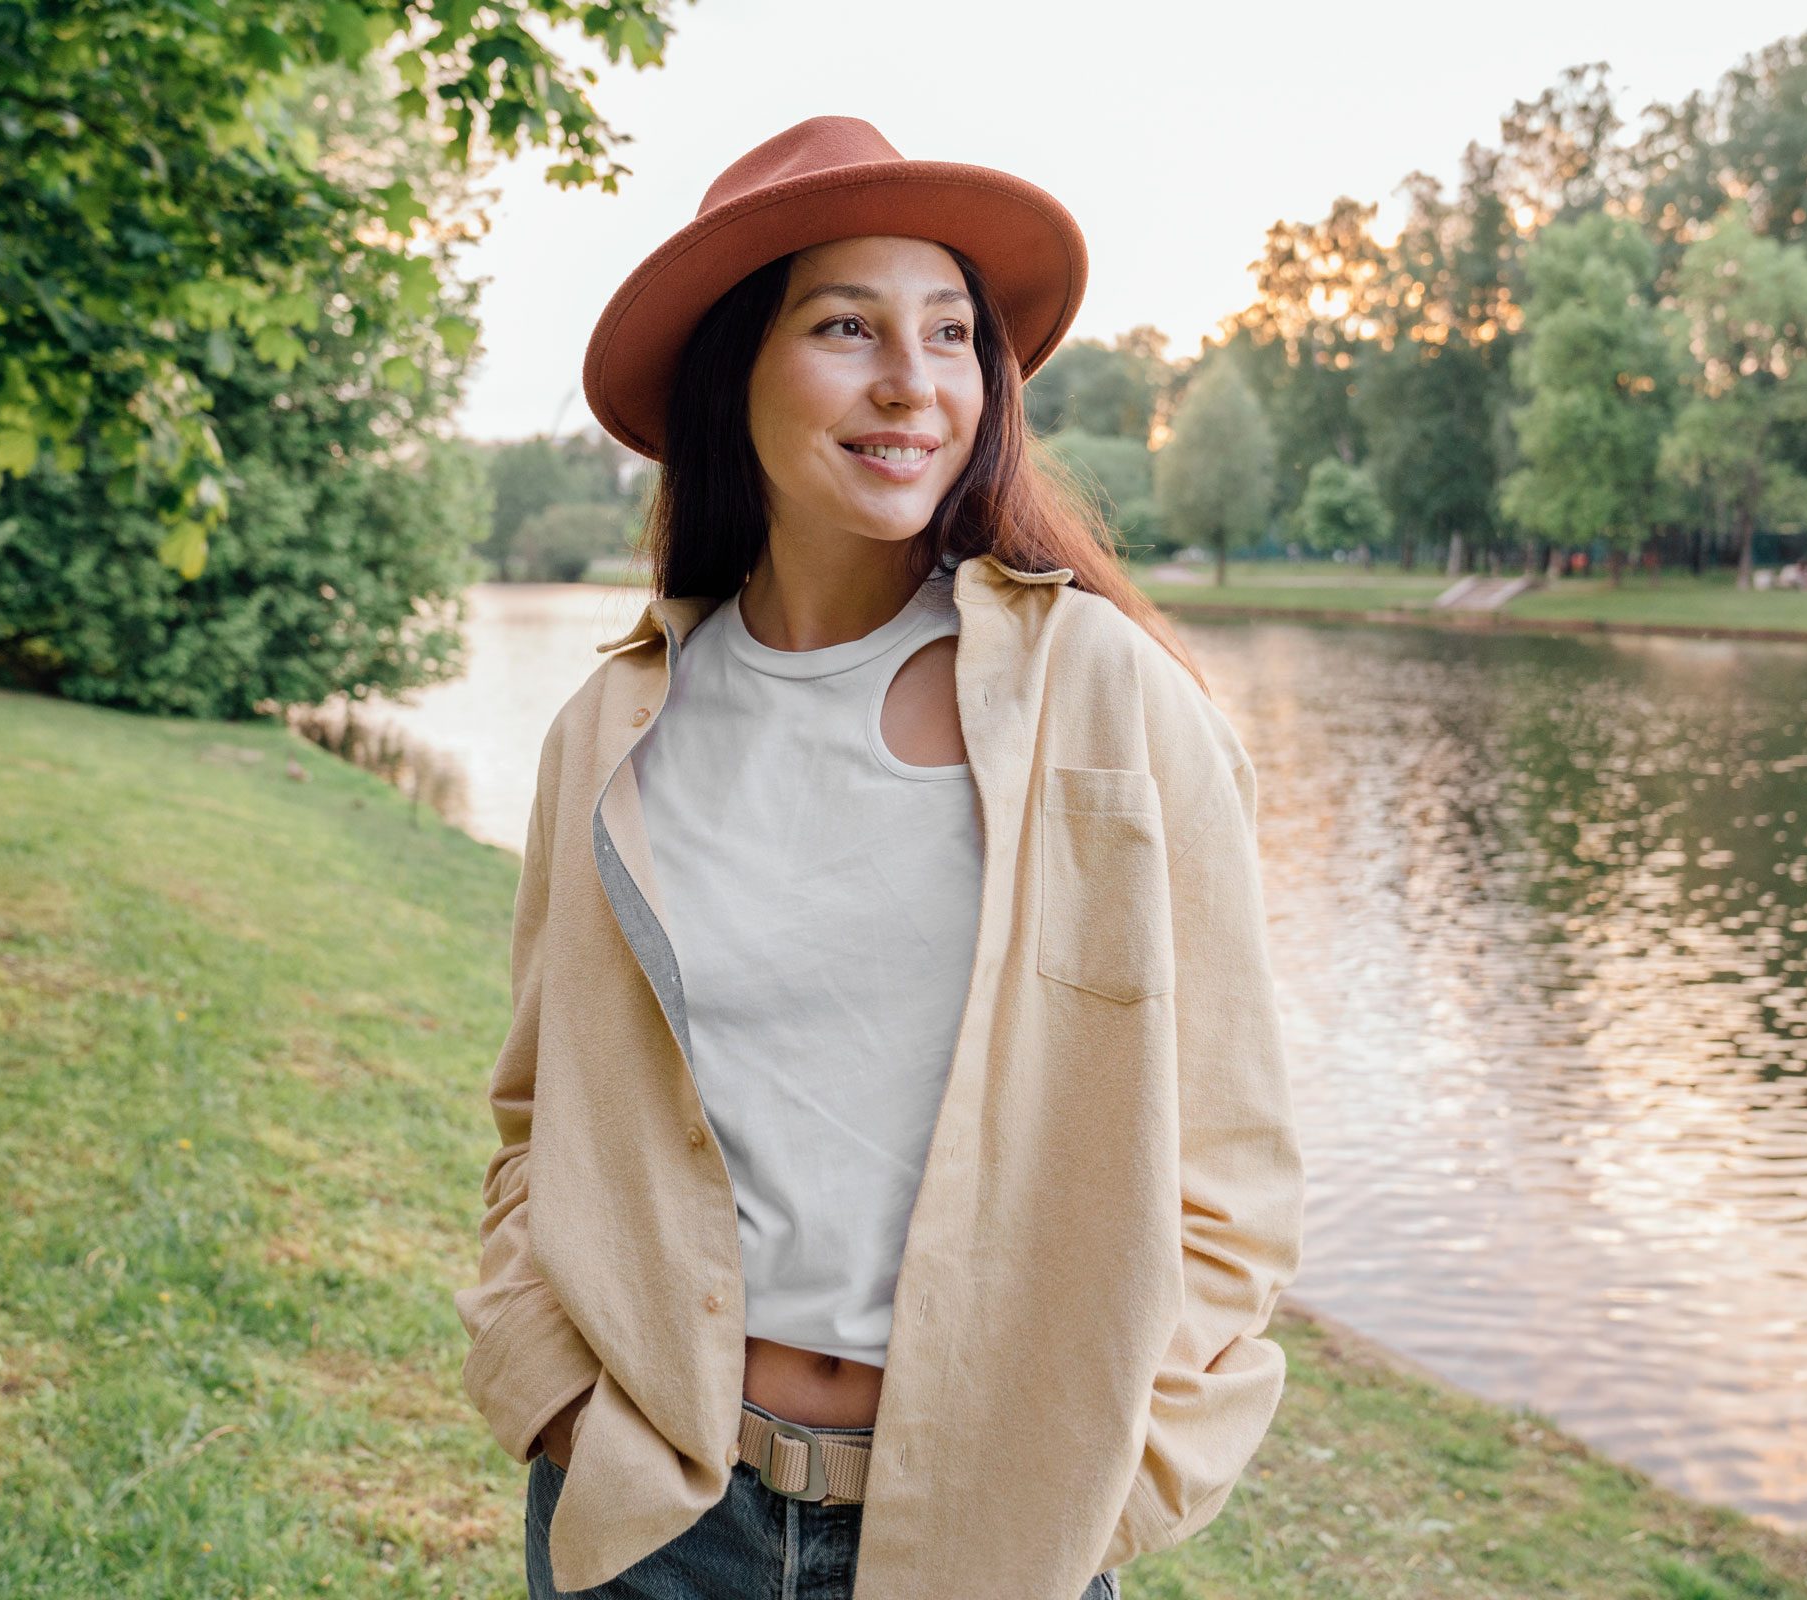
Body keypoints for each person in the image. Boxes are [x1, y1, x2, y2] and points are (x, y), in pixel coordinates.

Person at [453, 115, 1305, 1600]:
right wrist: (553, 1392)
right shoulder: (609, 734)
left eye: (953, 333)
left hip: (988, 1527)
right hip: (656, 1514)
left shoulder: (1102, 698)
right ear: (735, 373)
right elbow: (540, 1116)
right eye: (847, 326)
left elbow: (1228, 1171)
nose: (915, 383)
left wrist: (1115, 1469)